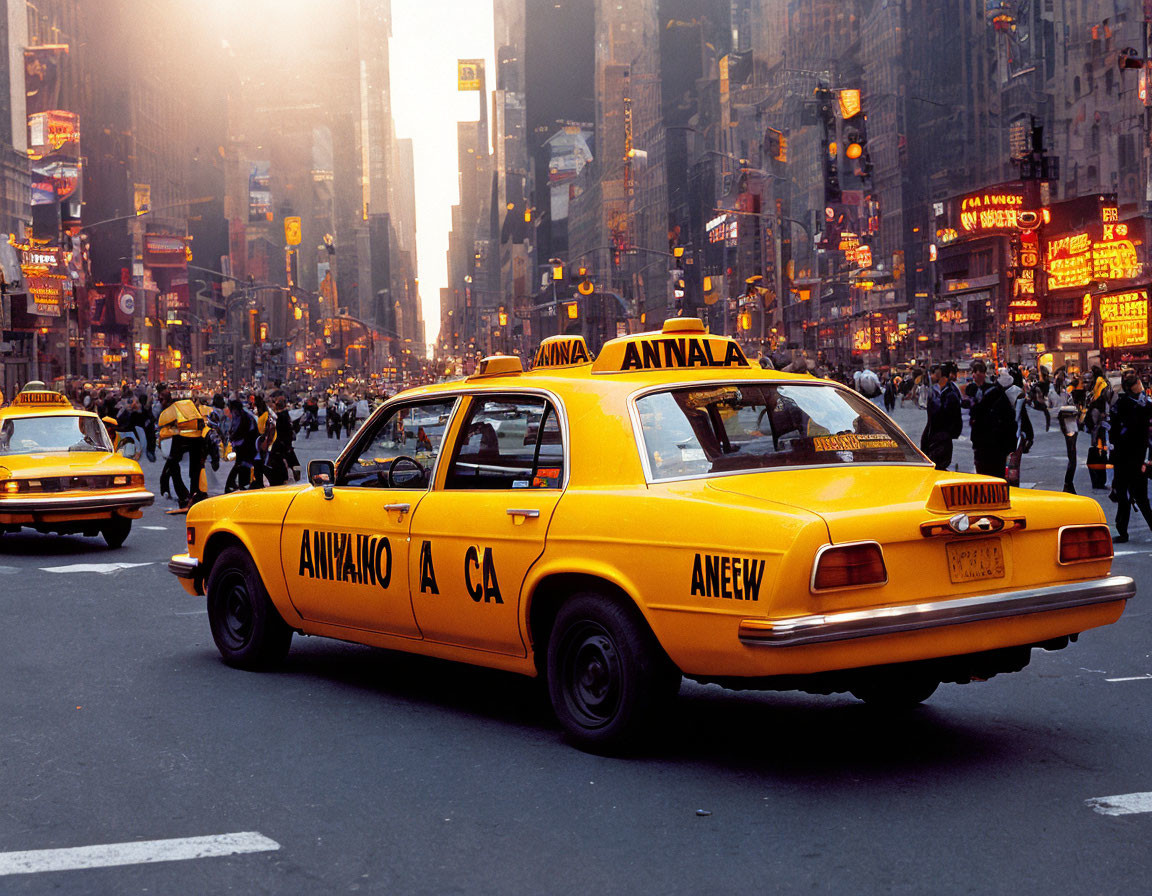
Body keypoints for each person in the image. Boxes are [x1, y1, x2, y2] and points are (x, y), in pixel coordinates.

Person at [1108, 371, 1152, 543]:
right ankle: (1122, 531)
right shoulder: (1121, 405)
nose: (1140, 391)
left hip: (1137, 458)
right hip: (1122, 457)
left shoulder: (1147, 406)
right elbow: (1113, 432)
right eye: (1137, 388)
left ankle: (1124, 531)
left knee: (1140, 497)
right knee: (1123, 497)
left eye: (1140, 387)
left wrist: (1147, 459)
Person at [157, 390, 207, 509]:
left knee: (175, 465)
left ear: (168, 399)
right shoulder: (186, 405)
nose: (160, 402)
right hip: (196, 437)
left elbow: (163, 425)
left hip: (183, 438)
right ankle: (193, 495)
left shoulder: (170, 411)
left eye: (161, 400)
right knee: (191, 467)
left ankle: (185, 496)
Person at [966, 360, 1016, 478]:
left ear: (983, 374)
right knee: (982, 475)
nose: (974, 375)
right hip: (980, 442)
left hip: (996, 442)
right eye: (973, 372)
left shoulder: (995, 392)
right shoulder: (971, 390)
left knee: (995, 475)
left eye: (977, 372)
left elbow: (1008, 417)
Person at [921, 363, 962, 471]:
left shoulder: (948, 393)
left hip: (941, 437)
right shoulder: (940, 392)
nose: (932, 377)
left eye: (935, 374)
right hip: (936, 436)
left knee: (938, 467)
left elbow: (939, 414)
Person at [225, 397, 258, 492]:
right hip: (245, 444)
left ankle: (239, 484)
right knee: (241, 464)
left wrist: (232, 437)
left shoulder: (241, 416)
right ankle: (240, 484)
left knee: (241, 464)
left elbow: (237, 430)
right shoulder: (243, 415)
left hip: (246, 444)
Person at [266, 396, 294, 486]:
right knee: (279, 459)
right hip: (283, 442)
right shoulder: (284, 415)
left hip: (281, 442)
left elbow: (282, 430)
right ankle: (282, 478)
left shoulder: (282, 416)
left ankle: (280, 478)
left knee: (277, 459)